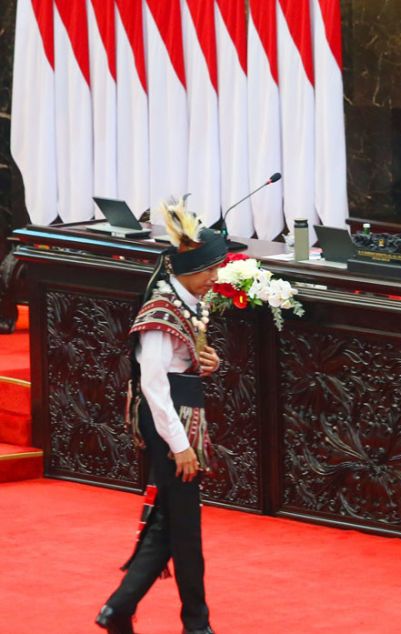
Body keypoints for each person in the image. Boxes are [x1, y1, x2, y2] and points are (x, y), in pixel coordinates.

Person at [96, 199, 226, 634]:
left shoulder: (185, 303)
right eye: (209, 270)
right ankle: (194, 623)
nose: (214, 278)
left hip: (180, 416)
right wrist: (181, 446)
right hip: (170, 424)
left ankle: (121, 610)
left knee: (171, 524)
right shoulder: (159, 313)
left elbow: (179, 365)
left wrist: (207, 363)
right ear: (187, 270)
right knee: (183, 527)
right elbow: (154, 385)